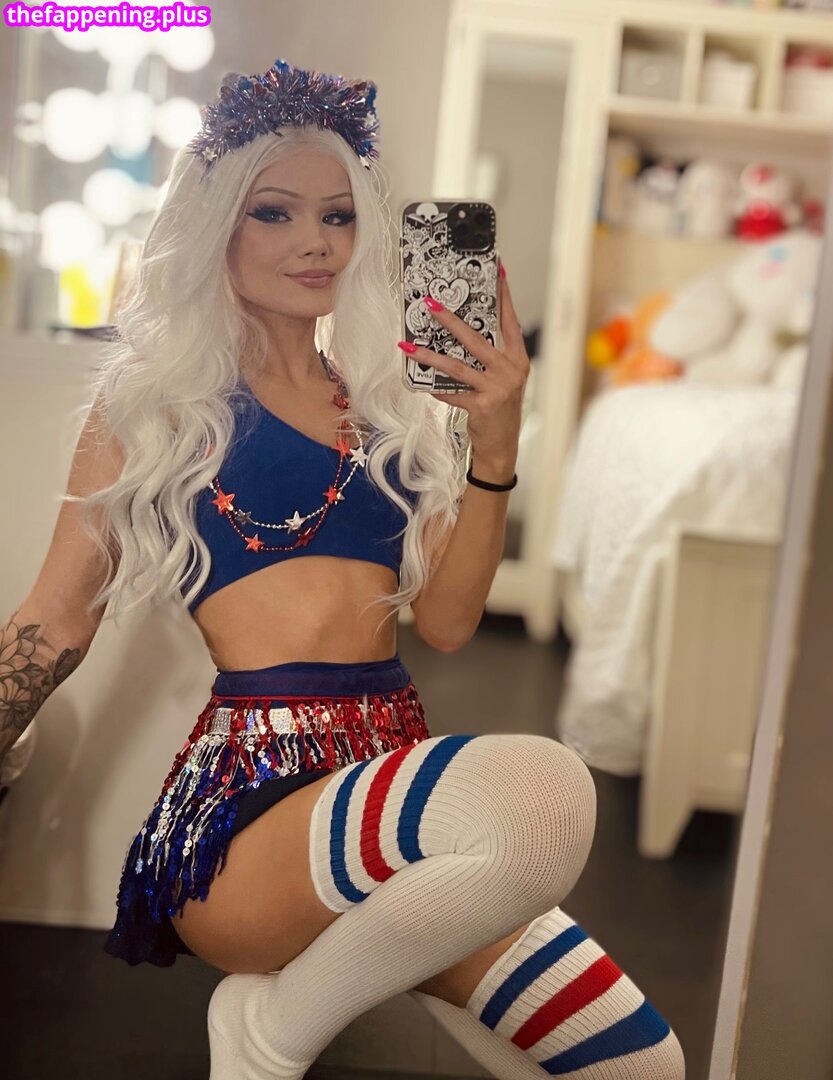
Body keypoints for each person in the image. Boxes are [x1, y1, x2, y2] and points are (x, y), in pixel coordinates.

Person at [0, 59, 684, 1080]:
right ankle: (273, 1032)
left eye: (337, 216)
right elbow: (54, 620)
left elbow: (445, 623)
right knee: (543, 792)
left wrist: (496, 440)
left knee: (642, 1064)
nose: (314, 242)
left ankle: (284, 1014)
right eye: (273, 213)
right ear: (216, 226)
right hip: (248, 824)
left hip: (391, 804)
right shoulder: (154, 407)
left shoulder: (385, 407)